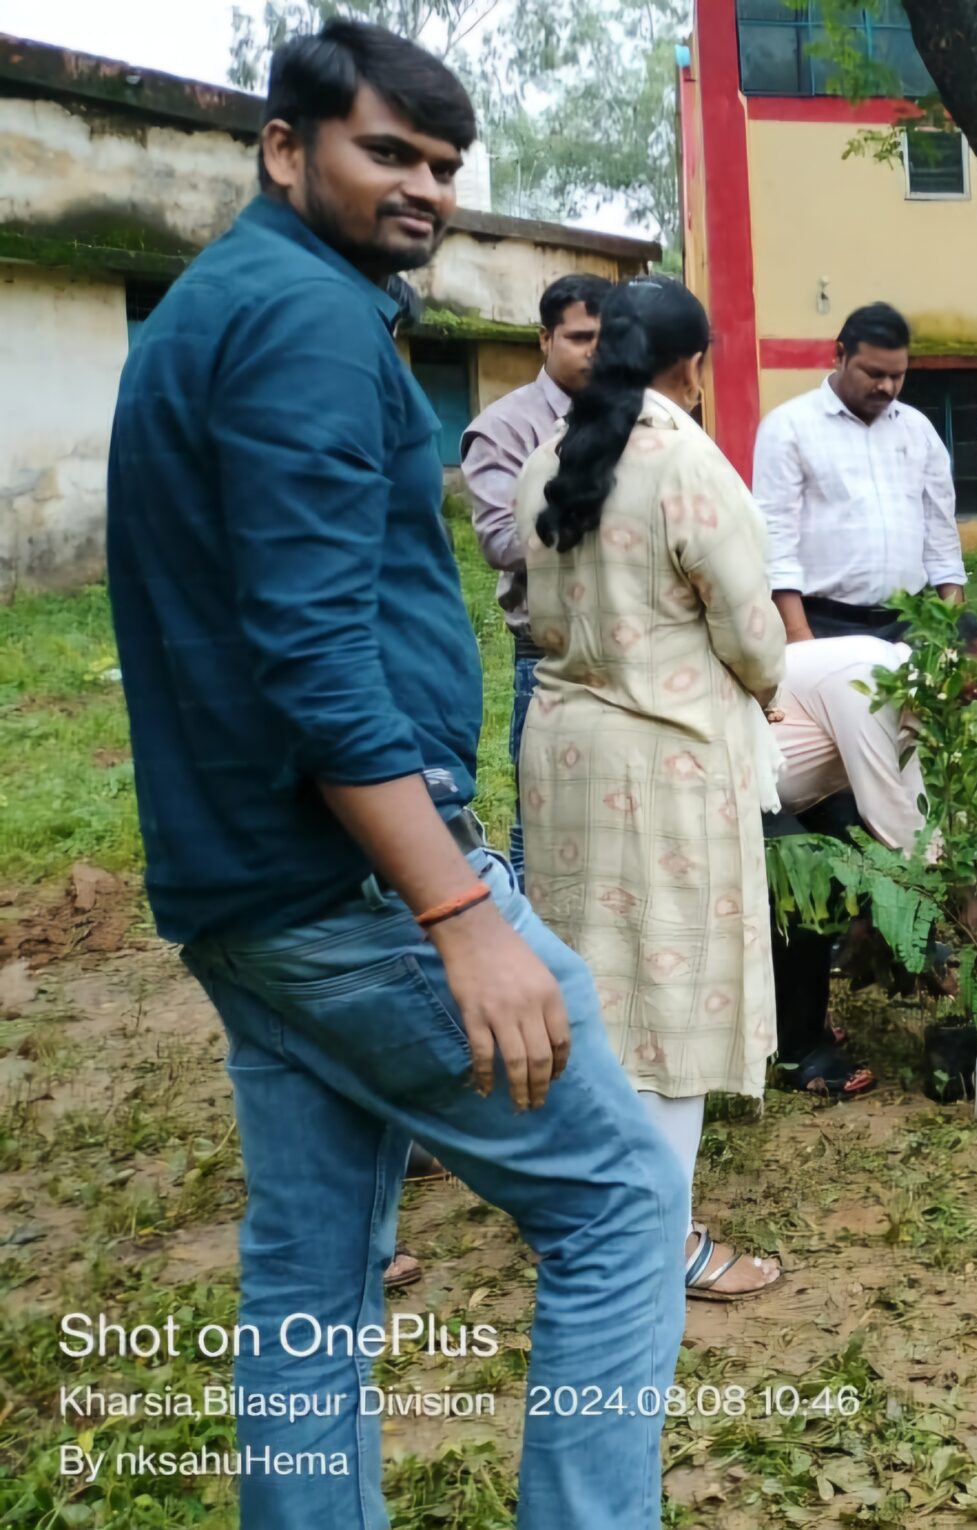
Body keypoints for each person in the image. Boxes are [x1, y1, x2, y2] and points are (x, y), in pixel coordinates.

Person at [106, 23, 684, 1528]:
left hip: (244, 884)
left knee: (309, 1272)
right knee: (622, 1200)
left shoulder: (220, 305)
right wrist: (458, 910)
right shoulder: (298, 316)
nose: (424, 187)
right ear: (286, 148)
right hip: (353, 884)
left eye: (443, 163)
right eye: (388, 153)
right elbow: (308, 653)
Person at [515, 275, 790, 1304]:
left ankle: (580, 1215)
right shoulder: (683, 459)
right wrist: (764, 689)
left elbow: (537, 612)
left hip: (565, 759)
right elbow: (750, 628)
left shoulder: (551, 455)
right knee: (671, 1006)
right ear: (692, 364)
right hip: (668, 763)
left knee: (592, 998)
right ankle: (660, 1240)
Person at [766, 616, 977, 1100]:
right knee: (809, 883)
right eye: (975, 673)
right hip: (739, 788)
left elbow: (910, 805)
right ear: (939, 659)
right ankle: (799, 1048)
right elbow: (883, 807)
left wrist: (942, 887)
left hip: (802, 791)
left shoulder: (906, 694)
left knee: (864, 864)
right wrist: (965, 903)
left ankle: (863, 950)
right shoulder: (867, 678)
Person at [461, 270, 610, 871]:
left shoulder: (635, 417)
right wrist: (608, 529)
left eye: (608, 337)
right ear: (543, 339)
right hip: (548, 654)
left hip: (634, 650)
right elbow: (501, 539)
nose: (596, 351)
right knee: (545, 828)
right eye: (580, 337)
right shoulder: (506, 427)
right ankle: (540, 961)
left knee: (619, 819)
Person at [753, 301, 965, 643]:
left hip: (910, 625)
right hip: (823, 625)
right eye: (874, 373)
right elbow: (775, 540)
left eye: (897, 376)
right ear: (839, 356)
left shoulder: (918, 429)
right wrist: (798, 635)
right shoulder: (789, 427)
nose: (887, 387)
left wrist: (957, 634)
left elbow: (941, 538)